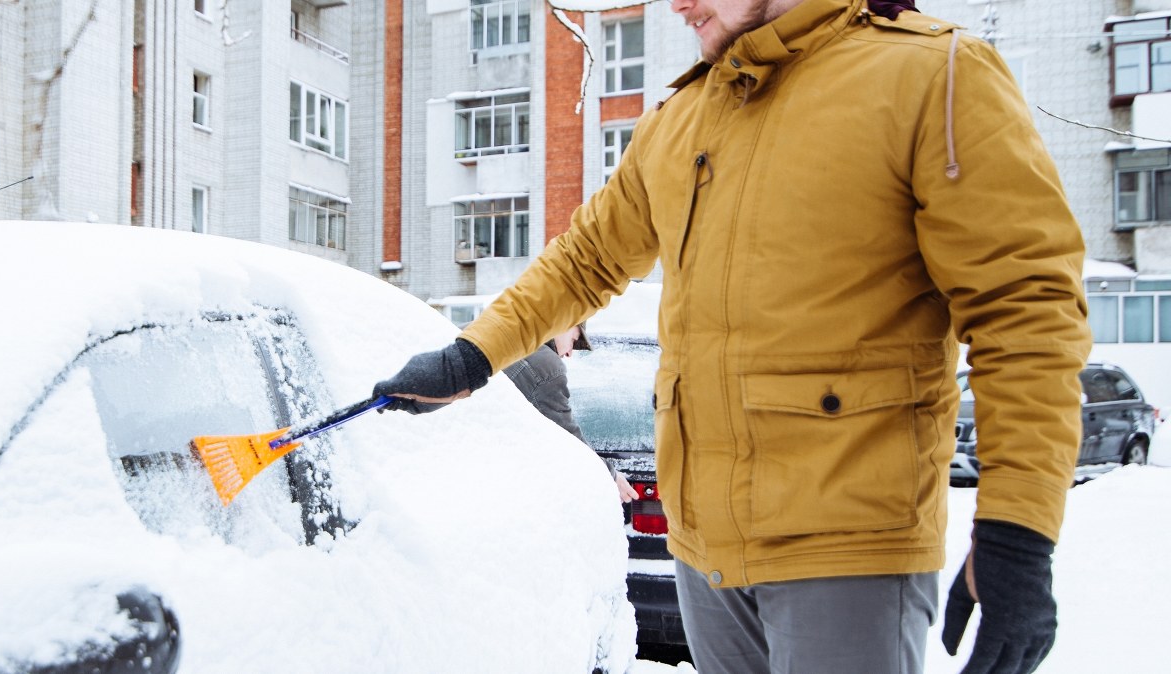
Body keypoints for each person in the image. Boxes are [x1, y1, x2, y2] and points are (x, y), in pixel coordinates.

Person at [373, 0, 1091, 672]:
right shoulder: (687, 113)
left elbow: (1025, 311)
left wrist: (1018, 533)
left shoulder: (931, 77)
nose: (676, 3)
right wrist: (472, 355)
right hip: (703, 556)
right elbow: (587, 258)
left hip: (847, 554)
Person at [503, 322, 640, 503]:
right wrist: (612, 476)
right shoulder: (546, 366)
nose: (569, 353)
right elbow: (568, 437)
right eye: (573, 340)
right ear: (565, 321)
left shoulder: (496, 328)